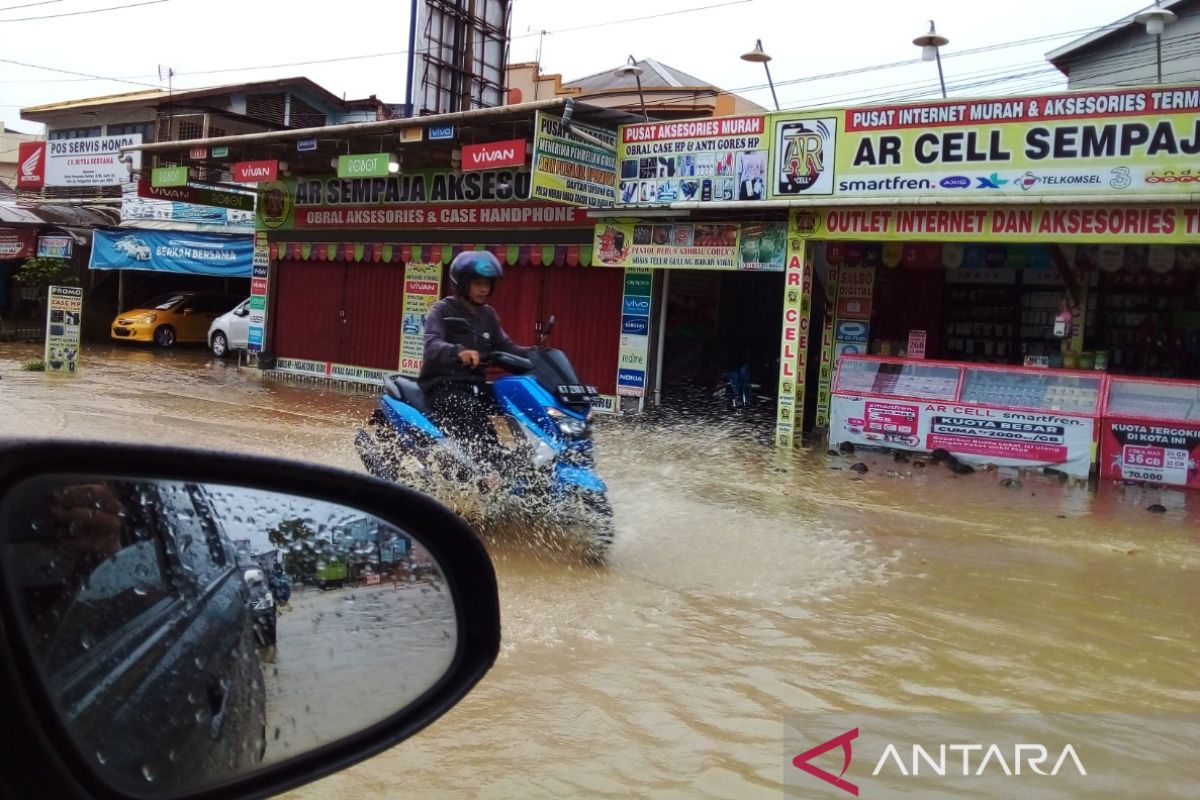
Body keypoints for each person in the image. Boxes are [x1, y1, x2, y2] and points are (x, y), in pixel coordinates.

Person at [418, 251, 534, 474]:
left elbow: (506, 347)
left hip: (476, 386)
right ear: (462, 284)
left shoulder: (488, 315)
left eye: (488, 284)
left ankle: (525, 462)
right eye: (477, 283)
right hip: (443, 386)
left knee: (519, 401)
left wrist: (536, 355)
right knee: (474, 413)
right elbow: (432, 343)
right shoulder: (442, 310)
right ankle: (488, 471)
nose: (484, 289)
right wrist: (457, 352)